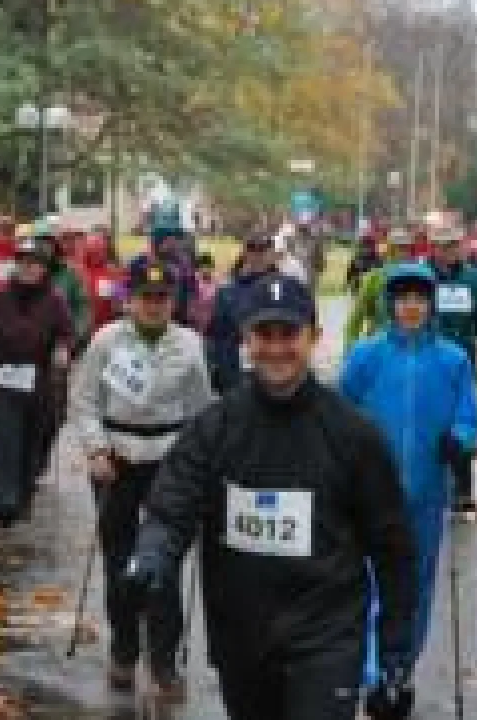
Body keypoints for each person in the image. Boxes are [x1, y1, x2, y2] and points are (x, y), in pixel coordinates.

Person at [124, 273, 418, 720]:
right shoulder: (215, 427)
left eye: (289, 334)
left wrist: (395, 654)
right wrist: (153, 554)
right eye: (264, 334)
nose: (276, 348)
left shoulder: (354, 435)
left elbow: (393, 547)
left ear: (314, 337)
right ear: (246, 338)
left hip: (326, 638)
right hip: (242, 637)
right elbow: (172, 505)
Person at [68, 261, 215, 700]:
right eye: (145, 298)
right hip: (114, 459)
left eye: (162, 298)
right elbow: (85, 400)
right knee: (120, 561)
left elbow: (201, 411)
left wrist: (198, 466)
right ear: (129, 300)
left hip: (168, 460)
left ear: (173, 301)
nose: (154, 306)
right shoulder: (106, 340)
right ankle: (124, 646)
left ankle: (165, 661)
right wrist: (95, 449)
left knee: (163, 561)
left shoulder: (190, 345)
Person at [340, 262, 477, 715]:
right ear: (390, 303)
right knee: (367, 579)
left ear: (431, 304)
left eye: (420, 299)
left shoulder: (453, 360)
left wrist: (459, 438)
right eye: (403, 298)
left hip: (426, 490)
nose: (411, 307)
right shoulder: (366, 356)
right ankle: (370, 668)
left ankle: (400, 665)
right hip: (371, 491)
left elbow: (469, 415)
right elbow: (339, 410)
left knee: (416, 584)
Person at [0, 241, 74, 528]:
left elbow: (66, 333)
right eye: (23, 262)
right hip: (1, 378)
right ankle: (5, 499)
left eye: (34, 263)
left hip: (39, 381)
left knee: (31, 441)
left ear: (44, 269)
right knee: (6, 438)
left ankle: (23, 497)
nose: (28, 268)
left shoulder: (55, 301)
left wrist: (63, 349)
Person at [427, 225, 477, 517]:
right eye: (443, 245)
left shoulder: (473, 279)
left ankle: (463, 491)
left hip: (463, 361)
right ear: (434, 247)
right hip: (430, 359)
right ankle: (430, 484)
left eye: (454, 245)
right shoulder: (424, 277)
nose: (449, 251)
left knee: (463, 422)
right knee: (431, 421)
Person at [206, 233, 278, 393]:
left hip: (273, 369)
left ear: (272, 253)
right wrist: (218, 369)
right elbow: (216, 334)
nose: (258, 255)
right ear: (245, 253)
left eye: (263, 249)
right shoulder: (227, 291)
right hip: (235, 373)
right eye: (253, 249)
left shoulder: (283, 289)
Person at [343, 227, 418, 350]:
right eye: (397, 249)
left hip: (410, 346)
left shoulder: (417, 278)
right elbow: (356, 318)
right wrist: (349, 350)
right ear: (389, 250)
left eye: (405, 249)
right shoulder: (374, 278)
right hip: (379, 344)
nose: (402, 253)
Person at [129, 226, 197, 326]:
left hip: (178, 314)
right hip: (150, 313)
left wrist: (190, 306)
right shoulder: (140, 262)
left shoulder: (182, 262)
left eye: (173, 240)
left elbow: (191, 285)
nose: (173, 243)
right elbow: (131, 287)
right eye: (168, 240)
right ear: (157, 242)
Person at [79, 232, 124, 338]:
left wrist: (116, 295)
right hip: (82, 330)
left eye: (99, 250)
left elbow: (122, 298)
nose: (95, 254)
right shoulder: (78, 270)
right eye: (91, 251)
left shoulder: (113, 272)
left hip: (107, 329)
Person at [187, 252, 220, 334]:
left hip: (208, 320)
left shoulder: (216, 283)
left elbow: (215, 303)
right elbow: (191, 301)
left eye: (209, 267)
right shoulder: (193, 280)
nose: (206, 270)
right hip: (193, 317)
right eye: (203, 267)